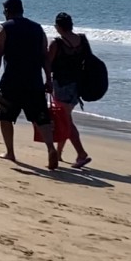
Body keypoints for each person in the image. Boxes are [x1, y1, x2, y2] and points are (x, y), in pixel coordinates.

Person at [0, 0, 59, 170]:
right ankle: (50, 148)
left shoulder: (3, 29)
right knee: (41, 117)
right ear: (22, 9)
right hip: (34, 81)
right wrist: (48, 80)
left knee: (6, 117)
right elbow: (44, 57)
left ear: (7, 11)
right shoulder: (38, 29)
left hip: (12, 81)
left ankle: (10, 152)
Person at [48, 12, 91, 168]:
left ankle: (81, 153)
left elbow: (47, 64)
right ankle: (59, 153)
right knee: (64, 118)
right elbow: (88, 61)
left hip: (61, 85)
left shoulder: (56, 43)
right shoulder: (82, 40)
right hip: (77, 85)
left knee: (65, 121)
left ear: (58, 26)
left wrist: (47, 82)